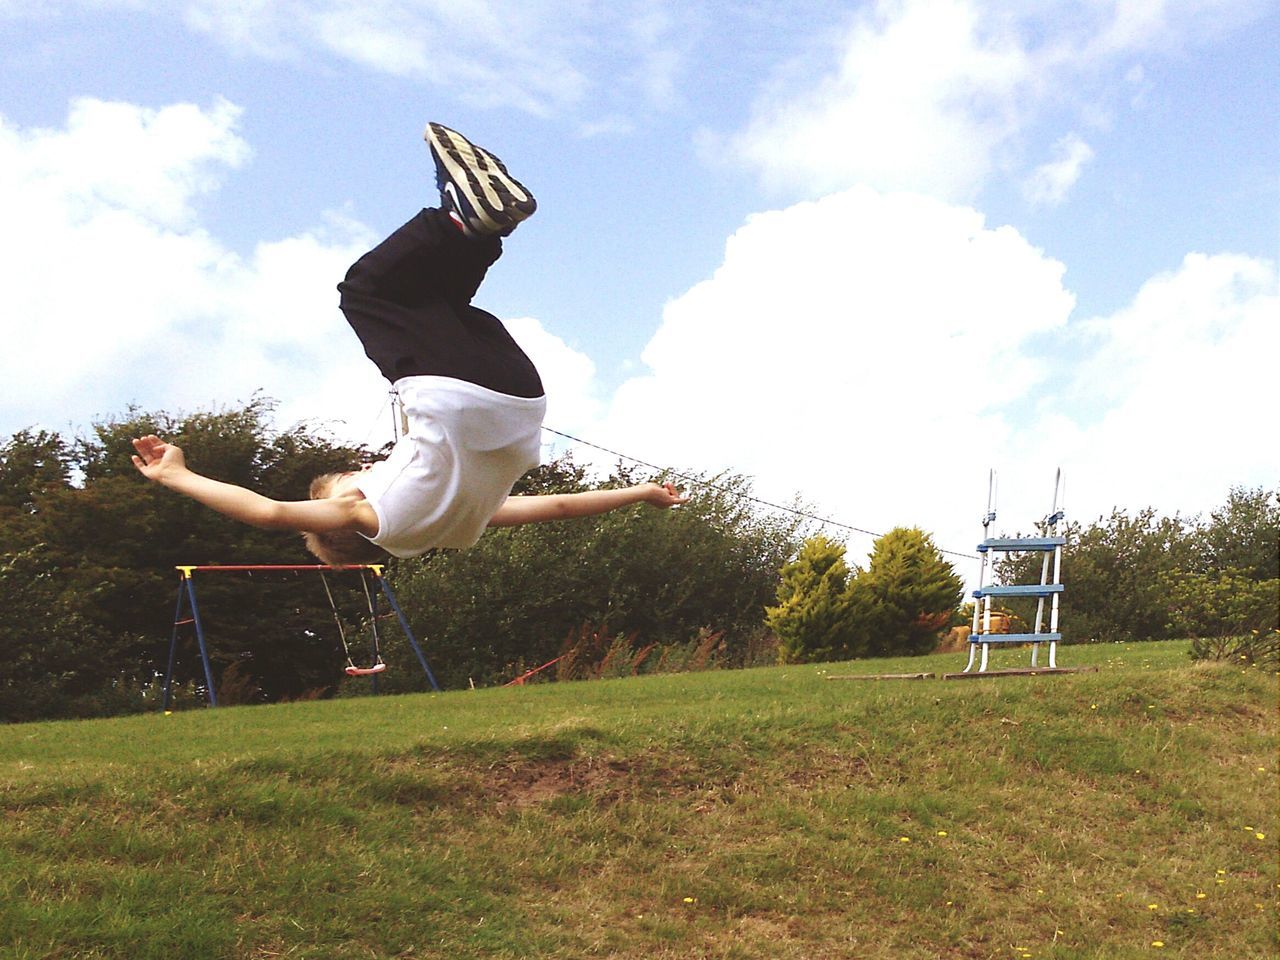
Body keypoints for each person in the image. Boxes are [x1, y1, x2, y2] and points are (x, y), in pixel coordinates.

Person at [132, 122, 687, 563]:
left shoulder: (464, 525)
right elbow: (272, 514)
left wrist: (641, 493)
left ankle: (481, 229)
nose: (360, 470)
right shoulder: (363, 513)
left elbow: (561, 506)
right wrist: (176, 475)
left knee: (435, 304)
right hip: (457, 395)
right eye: (346, 480)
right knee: (366, 293)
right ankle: (461, 219)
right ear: (340, 513)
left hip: (521, 393)